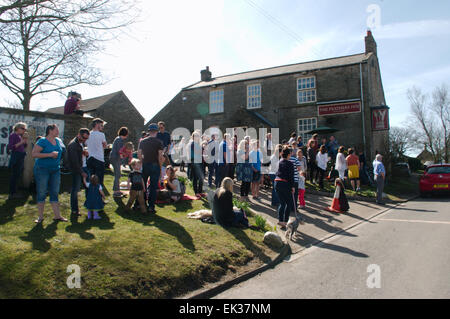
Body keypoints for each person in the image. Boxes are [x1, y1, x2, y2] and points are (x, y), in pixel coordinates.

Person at [31, 124, 67, 223]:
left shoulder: (58, 141)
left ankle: (57, 216)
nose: (58, 131)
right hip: (42, 169)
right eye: (56, 129)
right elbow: (34, 154)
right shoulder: (42, 141)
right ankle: (40, 217)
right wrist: (50, 155)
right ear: (50, 131)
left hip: (55, 170)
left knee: (55, 192)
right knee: (42, 192)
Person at [138, 123, 164, 213]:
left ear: (149, 131)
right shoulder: (159, 142)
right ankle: (151, 206)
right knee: (153, 187)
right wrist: (160, 168)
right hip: (155, 165)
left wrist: (141, 162)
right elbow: (160, 156)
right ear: (156, 131)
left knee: (143, 185)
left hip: (145, 164)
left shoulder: (143, 141)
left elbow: (139, 153)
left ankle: (142, 203)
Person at [67, 128, 90, 216]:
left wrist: (83, 152)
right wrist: (81, 172)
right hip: (77, 170)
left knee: (89, 187)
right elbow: (74, 161)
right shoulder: (73, 145)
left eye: (86, 139)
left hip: (83, 167)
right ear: (79, 135)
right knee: (75, 190)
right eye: (83, 138)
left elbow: (78, 154)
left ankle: (91, 206)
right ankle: (74, 210)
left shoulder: (80, 143)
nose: (84, 140)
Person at [275, 146, 295, 230]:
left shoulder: (279, 162)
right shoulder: (290, 163)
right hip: (285, 184)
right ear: (288, 154)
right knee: (289, 203)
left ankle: (280, 220)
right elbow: (291, 176)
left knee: (282, 203)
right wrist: (293, 186)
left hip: (277, 182)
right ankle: (286, 221)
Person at [7, 122, 29, 199]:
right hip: (16, 156)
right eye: (23, 128)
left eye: (25, 129)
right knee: (15, 175)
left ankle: (14, 191)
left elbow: (23, 147)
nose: (24, 130)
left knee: (17, 175)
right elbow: (11, 147)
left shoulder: (19, 136)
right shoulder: (13, 135)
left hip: (20, 156)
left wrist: (24, 143)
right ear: (17, 128)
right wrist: (21, 142)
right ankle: (12, 193)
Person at [86, 118, 107, 187]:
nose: (102, 127)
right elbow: (105, 146)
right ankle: (98, 195)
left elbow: (85, 144)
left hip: (90, 158)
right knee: (99, 180)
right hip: (99, 159)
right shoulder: (101, 135)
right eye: (101, 125)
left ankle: (90, 194)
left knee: (90, 179)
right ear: (97, 125)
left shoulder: (88, 134)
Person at [109, 127, 129, 198]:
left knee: (118, 174)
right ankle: (116, 191)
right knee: (117, 174)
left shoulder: (118, 139)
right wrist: (123, 157)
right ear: (125, 134)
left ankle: (117, 190)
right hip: (115, 158)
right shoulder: (119, 140)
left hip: (114, 158)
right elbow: (120, 151)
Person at [187, 131, 204, 198]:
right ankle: (196, 192)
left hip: (199, 162)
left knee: (201, 178)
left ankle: (199, 191)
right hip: (194, 162)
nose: (197, 137)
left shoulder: (198, 144)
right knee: (196, 178)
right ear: (193, 137)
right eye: (196, 136)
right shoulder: (192, 144)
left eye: (198, 136)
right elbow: (192, 155)